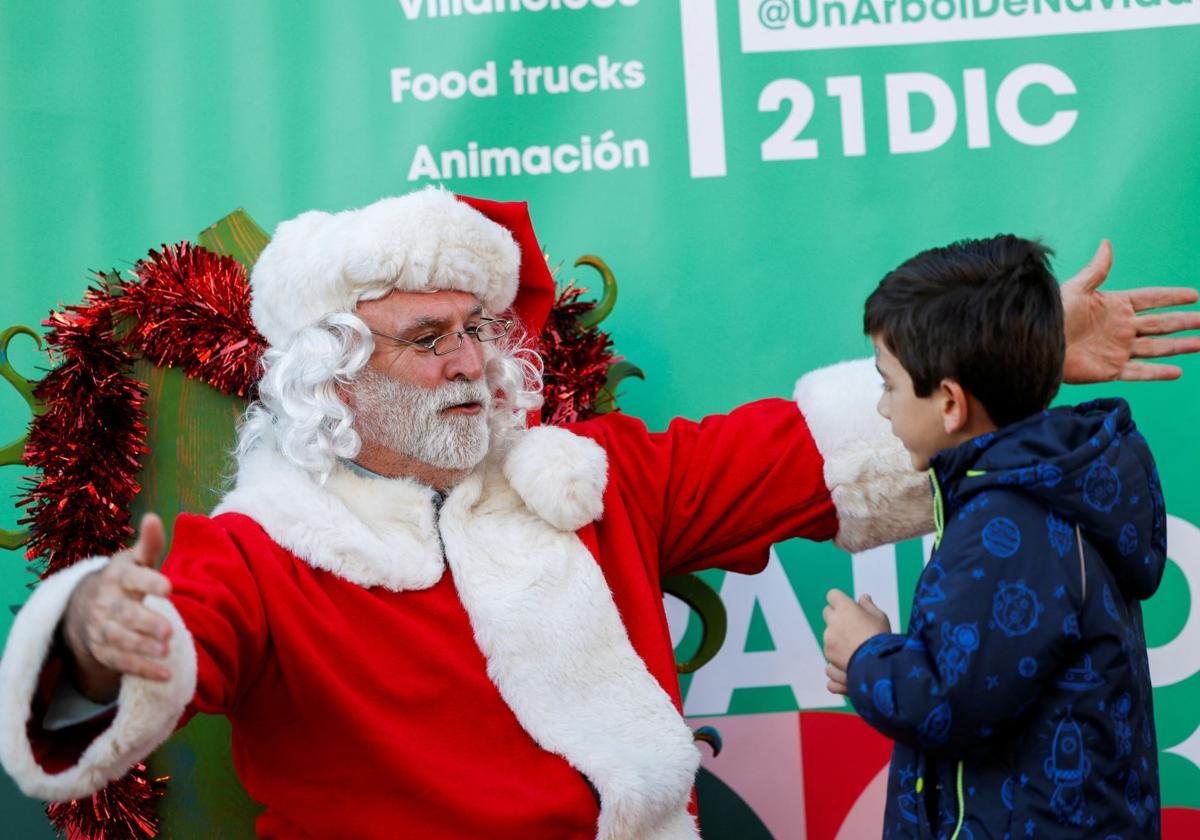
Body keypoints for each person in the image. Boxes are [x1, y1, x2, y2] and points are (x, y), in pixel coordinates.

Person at [0, 190, 1194, 840]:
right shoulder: (265, 553)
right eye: (428, 340)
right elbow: (151, 649)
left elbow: (812, 451)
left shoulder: (584, 479)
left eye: (478, 327)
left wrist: (1008, 358)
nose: (471, 359)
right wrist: (102, 636)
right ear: (334, 379)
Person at [822, 235, 1167, 839]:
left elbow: (952, 707)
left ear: (951, 403)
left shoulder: (1006, 524)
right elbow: (987, 672)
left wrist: (865, 656)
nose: (882, 410)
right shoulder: (1032, 492)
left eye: (888, 386)